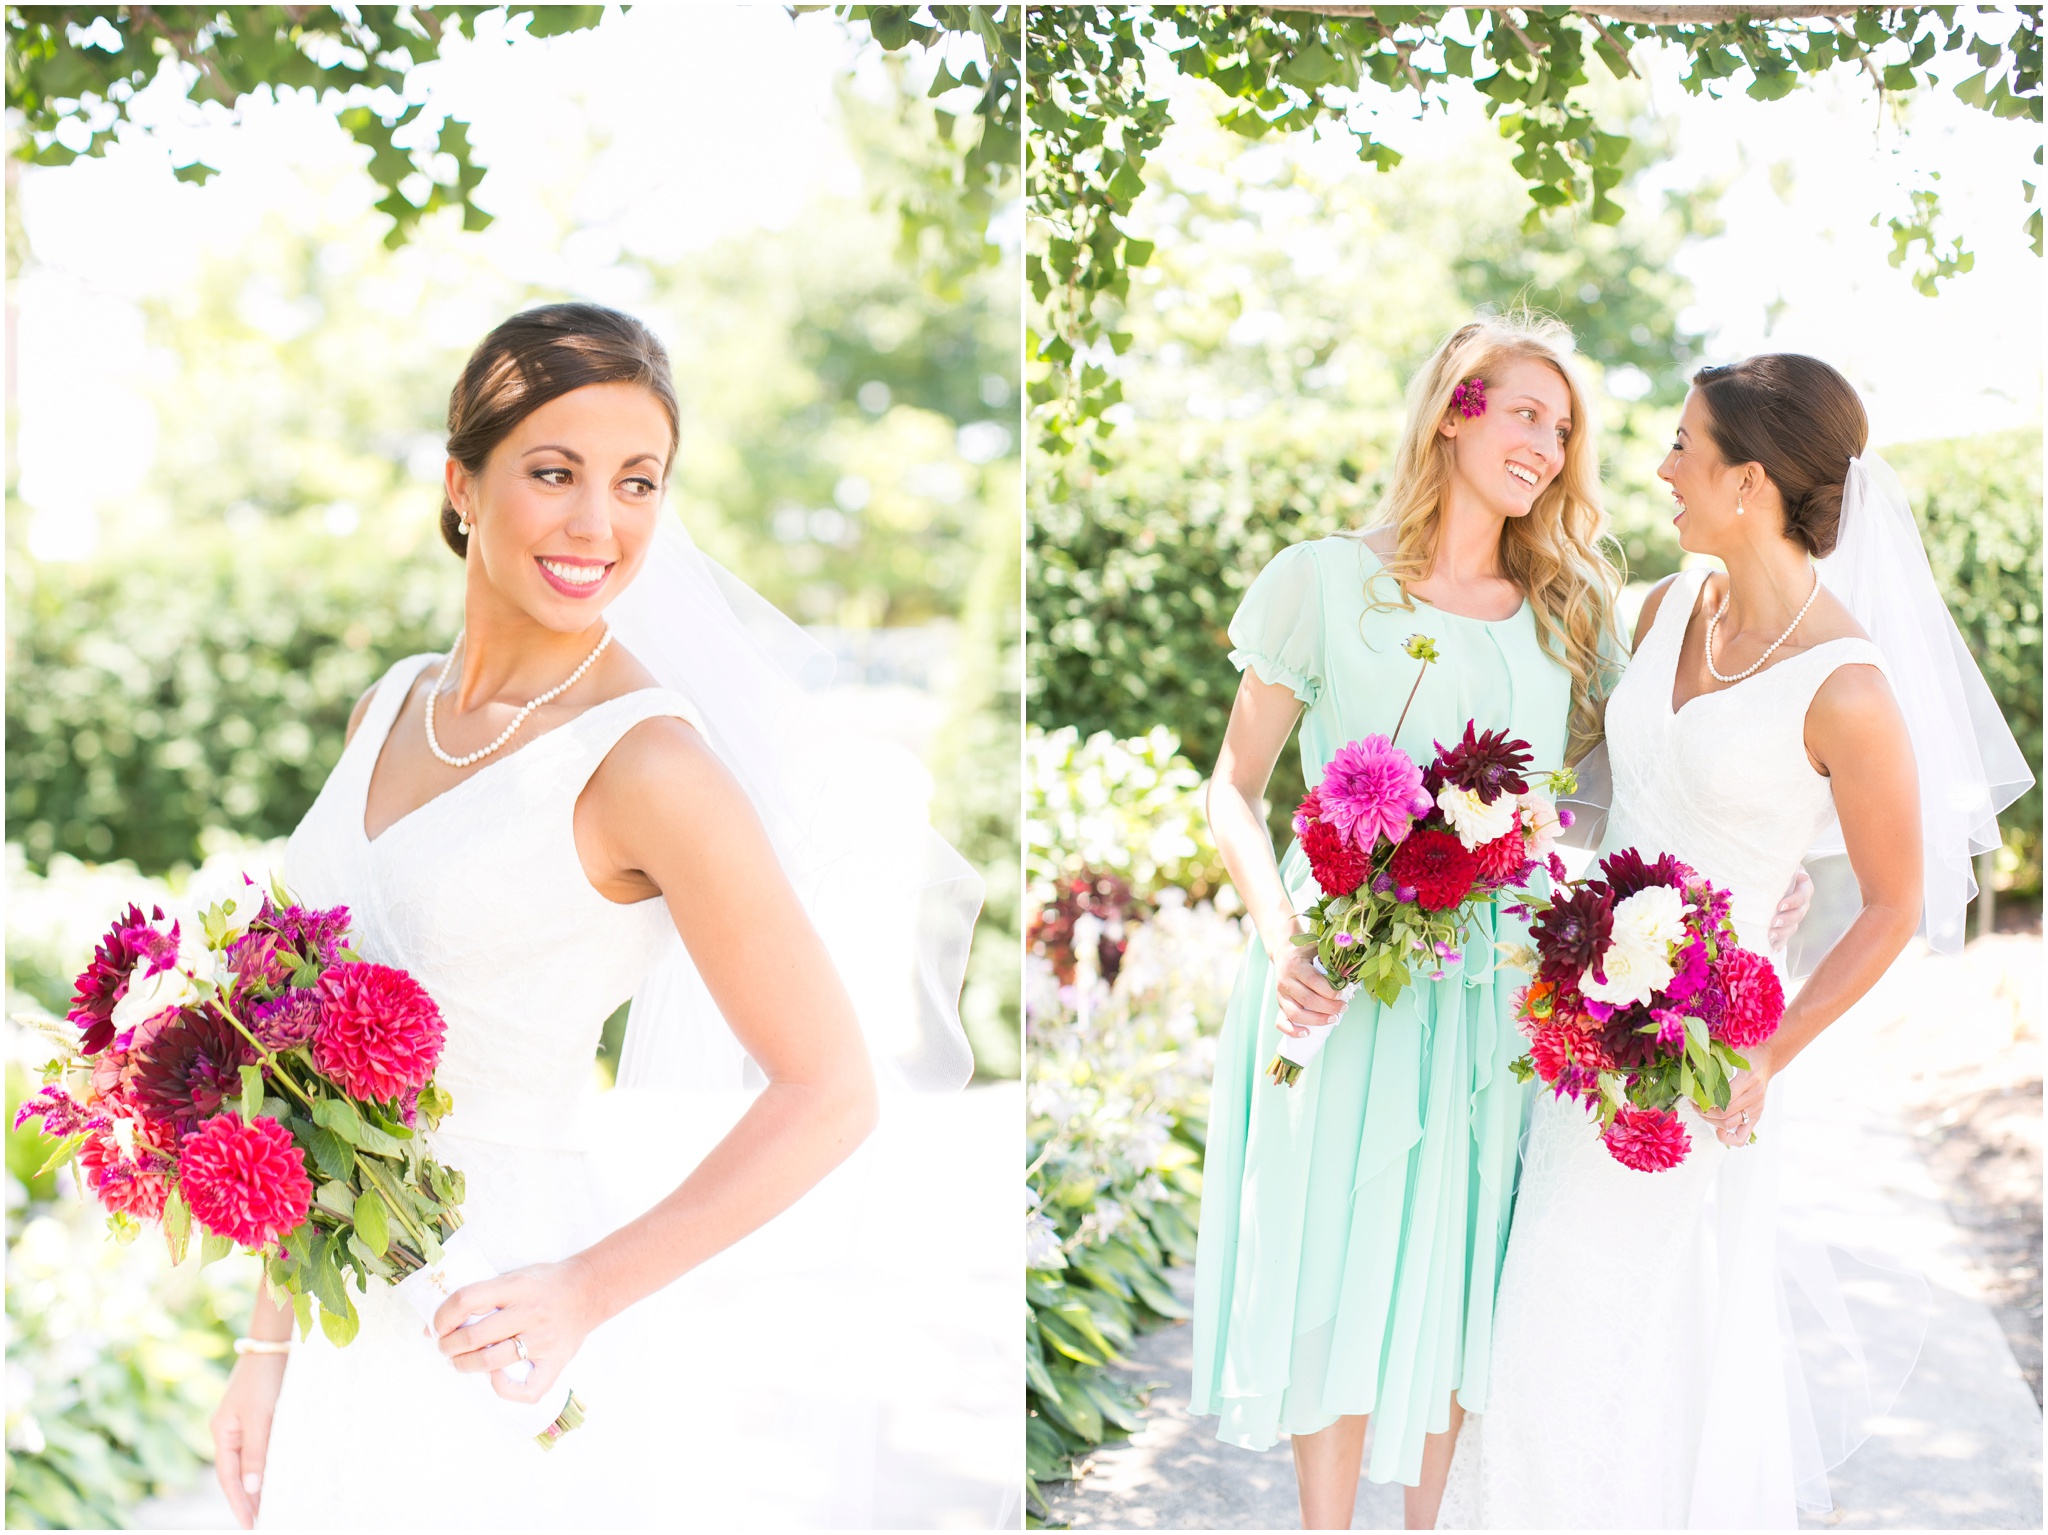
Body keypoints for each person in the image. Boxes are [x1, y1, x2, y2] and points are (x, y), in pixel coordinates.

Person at [207, 303, 973, 1529]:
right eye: (553, 472)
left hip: (502, 1307)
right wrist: (265, 1352)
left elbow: (831, 1091)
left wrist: (583, 1290)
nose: (597, 526)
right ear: (461, 482)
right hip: (342, 1304)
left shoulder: (648, 764)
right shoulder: (387, 707)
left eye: (637, 484)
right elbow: (299, 1084)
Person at [1190, 314, 1819, 1531]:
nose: (1546, 442)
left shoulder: (1568, 609)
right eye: (1524, 411)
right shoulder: (1321, 580)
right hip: (1339, 980)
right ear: (1451, 409)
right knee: (1333, 1260)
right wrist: (1279, 937)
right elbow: (1232, 782)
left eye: (1563, 424)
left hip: (1495, 990)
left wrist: (1733, 889)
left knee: (1457, 1288)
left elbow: (1612, 795)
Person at [1436, 353, 2031, 1528]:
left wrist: (1763, 1055)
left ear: (1748, 481)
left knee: (1581, 1309)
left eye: (1679, 447)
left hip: (1689, 1062)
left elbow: (1891, 902)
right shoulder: (1659, 607)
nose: (1657, 469)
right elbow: (1596, 795)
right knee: (1557, 1323)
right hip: (1570, 1033)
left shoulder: (1846, 687)